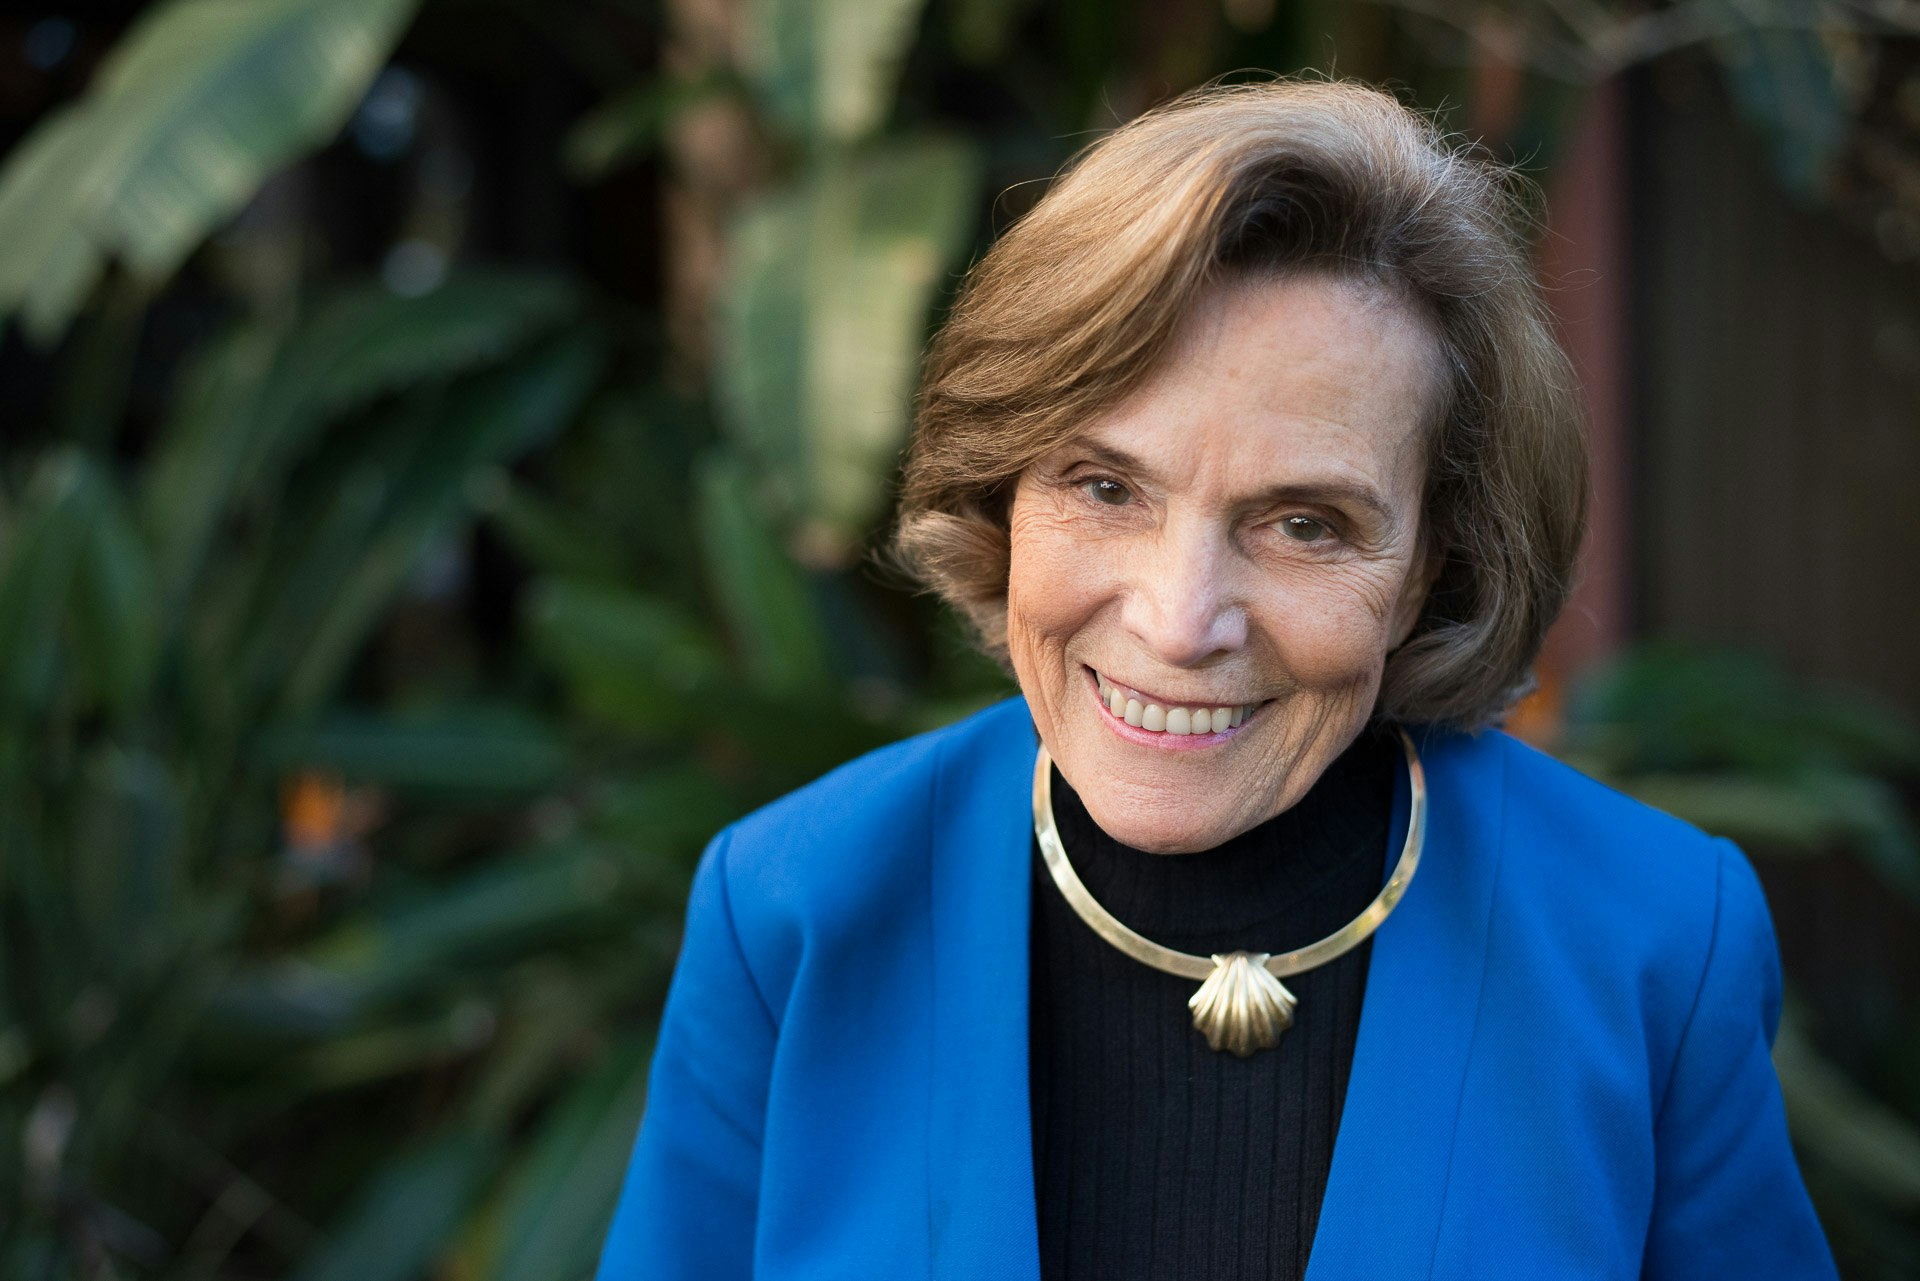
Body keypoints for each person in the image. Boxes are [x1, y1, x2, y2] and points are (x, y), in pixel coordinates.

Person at [592, 76, 1839, 1280]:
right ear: (1002, 489)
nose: (1180, 622)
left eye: (1305, 524)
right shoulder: (793, 911)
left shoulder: (1653, 943)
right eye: (1104, 487)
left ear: (1430, 568)